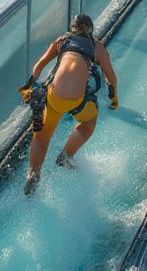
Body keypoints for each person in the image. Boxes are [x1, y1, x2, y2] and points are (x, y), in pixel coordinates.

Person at [18, 13, 118, 195]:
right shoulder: (97, 47)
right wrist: (114, 97)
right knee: (89, 123)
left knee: (41, 136)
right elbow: (111, 77)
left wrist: (29, 85)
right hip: (77, 101)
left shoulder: (62, 41)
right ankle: (66, 156)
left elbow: (39, 66)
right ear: (91, 30)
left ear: (72, 29)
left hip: (54, 98)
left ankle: (33, 174)